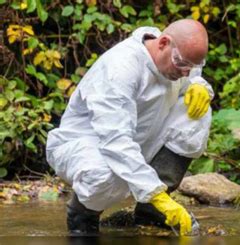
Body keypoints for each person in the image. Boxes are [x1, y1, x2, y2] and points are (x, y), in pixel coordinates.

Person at [45, 19, 213, 236]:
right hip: (89, 146)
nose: (185, 73)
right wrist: (155, 193)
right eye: (182, 65)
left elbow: (191, 73)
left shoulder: (177, 61)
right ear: (162, 43)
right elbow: (115, 141)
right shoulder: (121, 68)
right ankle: (83, 216)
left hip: (140, 139)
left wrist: (199, 85)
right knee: (103, 173)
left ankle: (151, 210)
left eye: (192, 67)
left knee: (197, 111)